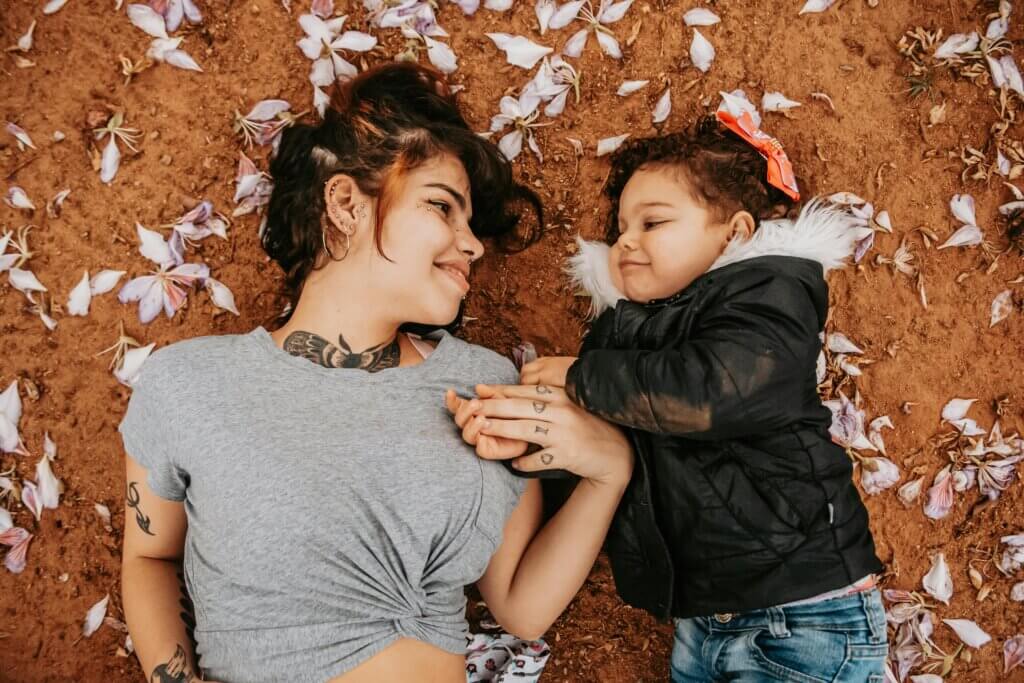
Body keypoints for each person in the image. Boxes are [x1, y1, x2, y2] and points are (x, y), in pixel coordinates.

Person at [119, 62, 634, 683]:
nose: (471, 244)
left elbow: (521, 608)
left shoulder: (482, 380)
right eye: (443, 207)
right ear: (344, 203)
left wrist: (610, 468)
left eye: (470, 223)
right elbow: (149, 556)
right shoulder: (190, 383)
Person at [456, 112, 888, 681]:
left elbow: (715, 391)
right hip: (705, 622)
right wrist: (534, 443)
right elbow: (618, 453)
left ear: (733, 233)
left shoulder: (768, 291)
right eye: (619, 229)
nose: (626, 241)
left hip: (805, 612)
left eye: (652, 223)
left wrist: (584, 380)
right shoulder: (624, 337)